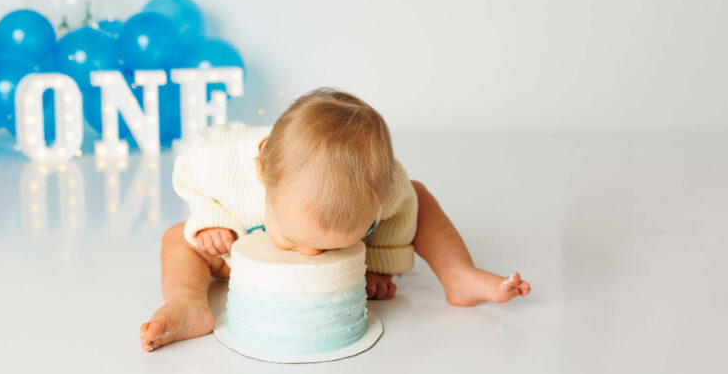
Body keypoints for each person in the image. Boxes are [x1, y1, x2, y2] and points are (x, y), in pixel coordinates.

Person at [140, 88, 530, 352]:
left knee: (420, 195)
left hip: (376, 225)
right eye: (292, 235)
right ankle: (188, 303)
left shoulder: (387, 186)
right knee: (179, 240)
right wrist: (211, 219)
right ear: (262, 175)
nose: (311, 253)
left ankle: (458, 274)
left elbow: (402, 210)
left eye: (335, 245)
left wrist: (377, 263)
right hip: (233, 253)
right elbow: (188, 173)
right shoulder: (226, 161)